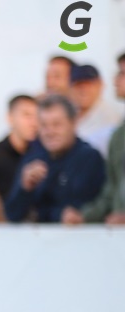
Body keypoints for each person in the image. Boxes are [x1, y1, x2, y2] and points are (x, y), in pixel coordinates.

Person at [5, 95, 105, 223]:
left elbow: (78, 210)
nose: (50, 132)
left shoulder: (89, 159)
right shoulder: (32, 159)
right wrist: (24, 188)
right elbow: (11, 214)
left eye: (57, 124)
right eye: (44, 125)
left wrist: (44, 214)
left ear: (73, 123)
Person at [65, 53, 125, 225]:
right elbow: (111, 190)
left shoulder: (111, 123)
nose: (115, 79)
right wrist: (84, 216)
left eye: (122, 73)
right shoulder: (119, 135)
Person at [0, 95, 39, 201]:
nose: (33, 123)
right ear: (10, 117)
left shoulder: (41, 158)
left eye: (37, 117)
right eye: (27, 115)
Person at [68, 64, 123, 158]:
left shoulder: (113, 116)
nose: (83, 90)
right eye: (78, 85)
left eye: (88, 84)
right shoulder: (68, 115)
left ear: (100, 85)